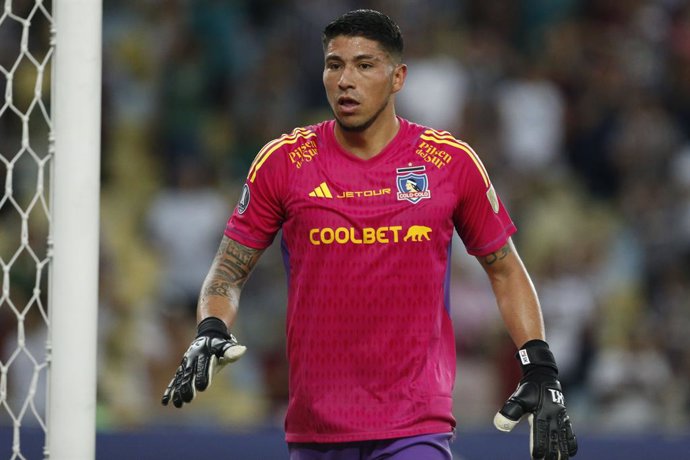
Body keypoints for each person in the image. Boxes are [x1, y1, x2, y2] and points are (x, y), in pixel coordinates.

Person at [162, 9, 578, 460]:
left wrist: (539, 365)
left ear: (397, 77)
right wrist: (210, 325)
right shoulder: (284, 162)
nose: (345, 79)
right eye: (334, 64)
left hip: (414, 424)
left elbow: (505, 269)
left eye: (364, 65)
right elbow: (229, 267)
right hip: (316, 428)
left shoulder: (449, 164)